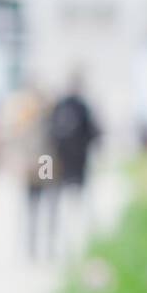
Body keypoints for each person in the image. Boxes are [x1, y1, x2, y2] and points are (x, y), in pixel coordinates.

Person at [0, 78, 58, 261]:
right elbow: (18, 141)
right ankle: (34, 246)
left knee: (43, 205)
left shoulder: (47, 118)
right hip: (36, 164)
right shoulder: (28, 117)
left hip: (42, 163)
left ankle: (43, 245)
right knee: (35, 206)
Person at [48, 69, 101, 255]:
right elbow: (95, 134)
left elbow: (49, 136)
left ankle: (61, 242)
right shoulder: (81, 107)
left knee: (62, 205)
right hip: (74, 164)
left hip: (64, 164)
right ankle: (68, 243)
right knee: (71, 205)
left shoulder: (62, 106)